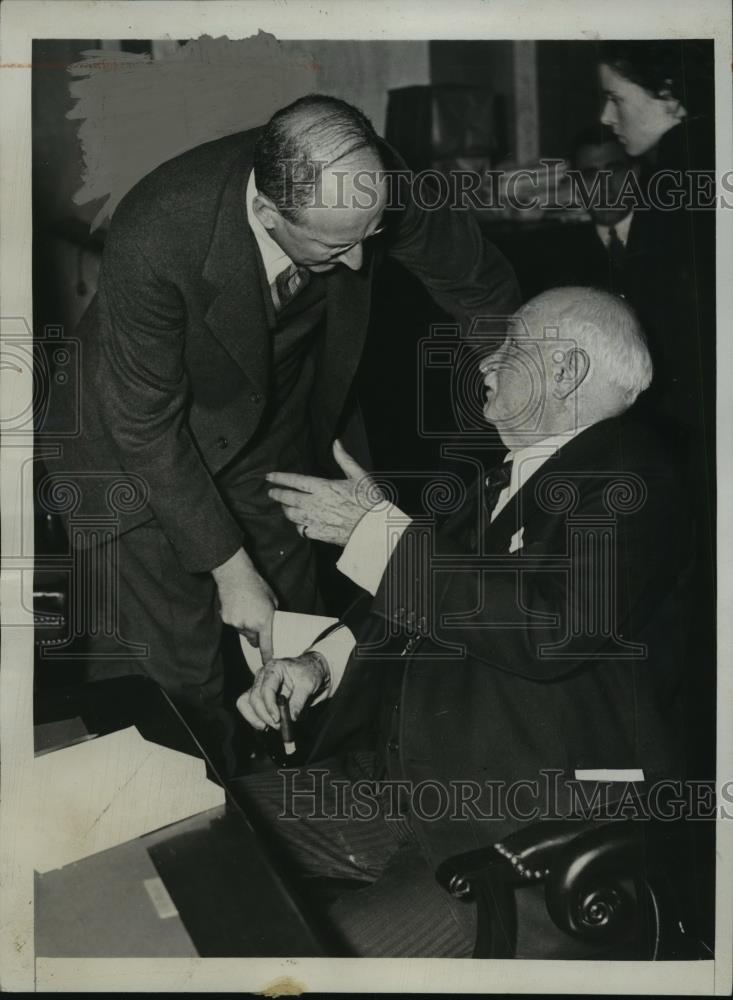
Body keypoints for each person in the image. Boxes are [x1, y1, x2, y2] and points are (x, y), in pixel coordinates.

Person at [47, 95, 519, 750]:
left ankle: (295, 794)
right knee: (171, 683)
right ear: (269, 213)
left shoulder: (370, 181)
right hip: (128, 443)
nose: (359, 265)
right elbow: (144, 425)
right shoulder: (158, 228)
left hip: (267, 424)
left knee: (298, 641)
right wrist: (229, 568)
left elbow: (477, 284)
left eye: (370, 236)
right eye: (335, 245)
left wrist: (524, 398)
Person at [235, 287, 693, 958]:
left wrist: (382, 536)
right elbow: (424, 598)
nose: (485, 362)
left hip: (519, 839)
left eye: (510, 346)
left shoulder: (635, 477)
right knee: (194, 832)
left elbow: (550, 627)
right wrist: (316, 665)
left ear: (565, 370)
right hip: (406, 795)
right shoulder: (506, 479)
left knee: (298, 962)